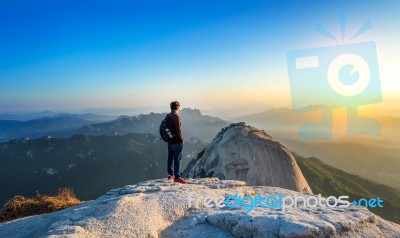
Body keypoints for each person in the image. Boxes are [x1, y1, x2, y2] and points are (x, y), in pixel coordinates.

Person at [167, 101, 188, 184]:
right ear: (177, 107)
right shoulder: (176, 116)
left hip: (170, 141)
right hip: (176, 142)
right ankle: (177, 177)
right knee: (177, 159)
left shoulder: (168, 116)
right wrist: (182, 139)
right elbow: (178, 130)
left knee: (170, 158)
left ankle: (170, 175)